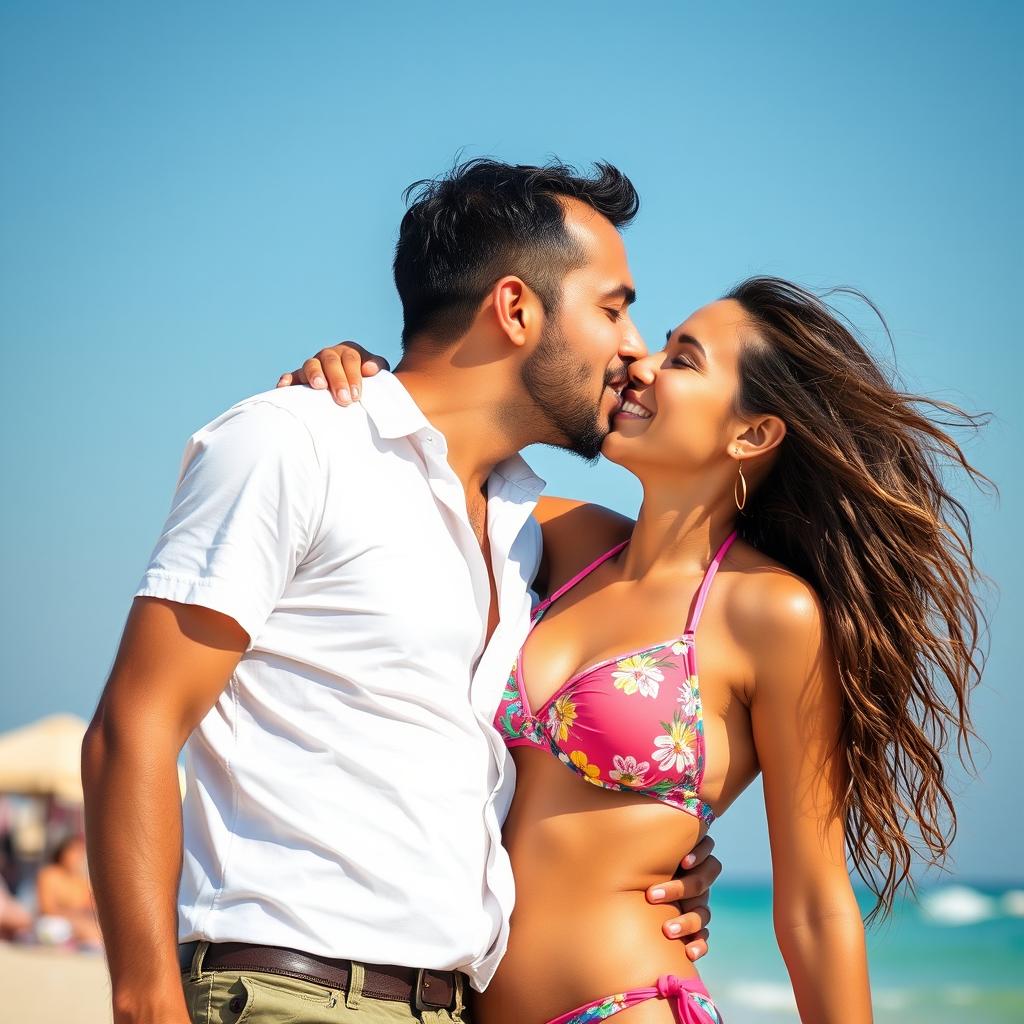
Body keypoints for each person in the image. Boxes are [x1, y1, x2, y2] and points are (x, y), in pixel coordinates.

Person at [81, 159, 718, 1024]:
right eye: (612, 307)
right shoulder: (293, 445)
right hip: (289, 993)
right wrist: (146, 998)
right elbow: (136, 724)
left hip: (448, 1006)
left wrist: (649, 855)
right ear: (516, 308)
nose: (634, 344)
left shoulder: (522, 530)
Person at [288, 278, 986, 1022]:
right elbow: (424, 458)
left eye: (683, 361)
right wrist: (356, 378)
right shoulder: (562, 540)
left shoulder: (770, 611)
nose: (642, 365)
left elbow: (815, 902)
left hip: (623, 1004)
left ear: (751, 435)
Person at [36, 834, 103, 948]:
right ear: (63, 853)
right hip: (55, 923)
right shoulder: (50, 874)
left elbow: (91, 908)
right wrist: (74, 917)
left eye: (81, 852)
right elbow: (47, 908)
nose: (78, 857)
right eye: (74, 852)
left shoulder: (81, 879)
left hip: (78, 922)